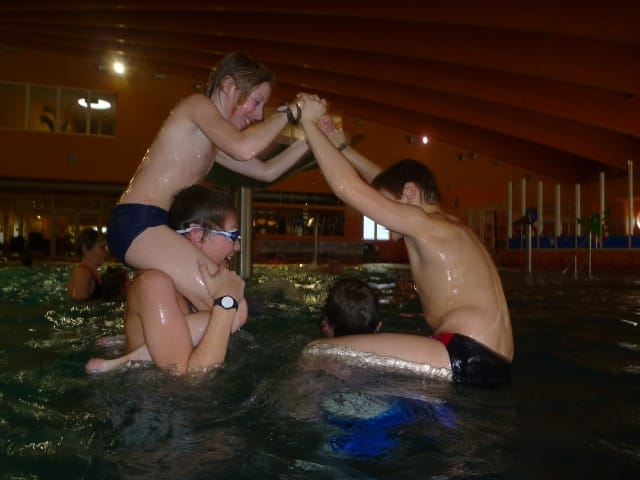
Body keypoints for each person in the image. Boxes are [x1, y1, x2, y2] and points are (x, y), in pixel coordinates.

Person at [300, 97, 514, 387]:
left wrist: (308, 122)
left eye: (390, 205)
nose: (384, 217)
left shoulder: (423, 224)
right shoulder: (449, 228)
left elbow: (348, 188)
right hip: (494, 360)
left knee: (317, 352)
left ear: (411, 193)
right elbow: (387, 185)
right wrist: (343, 149)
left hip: (463, 350)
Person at [107, 51, 313, 312]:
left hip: (156, 227)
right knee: (228, 306)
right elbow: (243, 148)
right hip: (139, 223)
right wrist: (290, 112)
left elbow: (266, 172)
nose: (259, 115)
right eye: (256, 101)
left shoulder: (213, 139)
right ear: (228, 85)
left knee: (204, 310)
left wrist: (311, 140)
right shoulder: (196, 105)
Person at [86, 184, 247, 375]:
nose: (237, 247)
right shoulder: (154, 285)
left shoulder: (188, 293)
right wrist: (226, 303)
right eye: (232, 235)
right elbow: (188, 380)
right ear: (197, 235)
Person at [67, 228, 127, 301]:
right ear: (85, 249)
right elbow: (78, 305)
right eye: (102, 248)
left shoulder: (92, 273)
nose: (106, 252)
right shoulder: (82, 273)